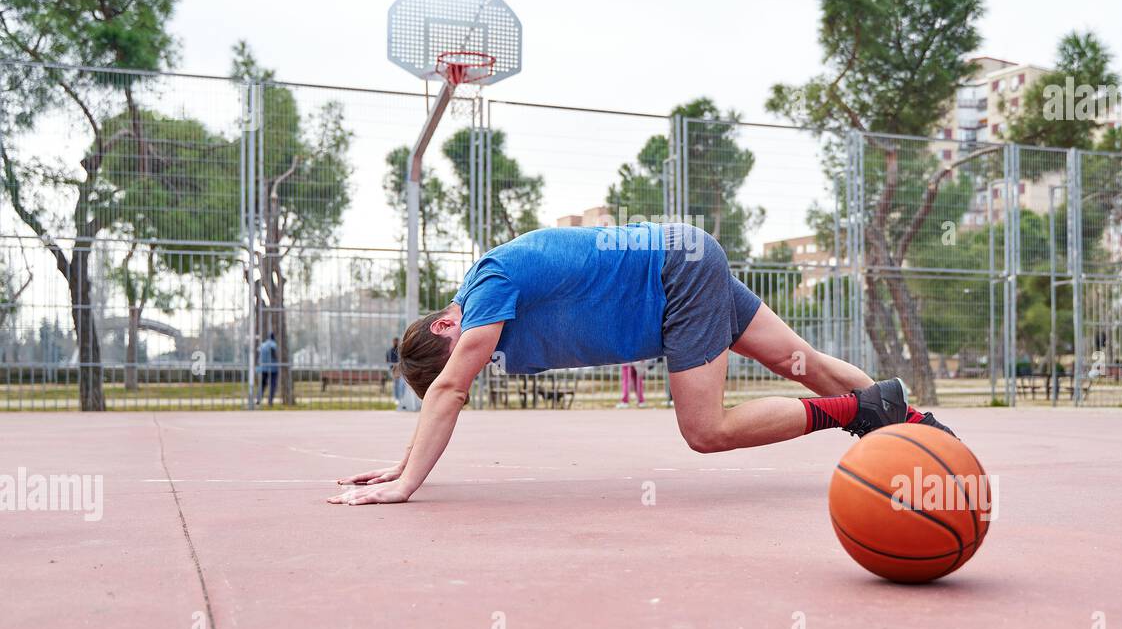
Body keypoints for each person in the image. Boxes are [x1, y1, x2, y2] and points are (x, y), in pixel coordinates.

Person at [331, 222, 953, 505]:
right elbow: (448, 390)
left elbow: (449, 393)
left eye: (460, 357)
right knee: (804, 362)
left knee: (704, 431)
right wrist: (407, 459)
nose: (476, 364)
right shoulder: (490, 308)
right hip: (680, 265)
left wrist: (407, 482)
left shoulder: (485, 284)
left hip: (676, 275)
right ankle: (911, 423)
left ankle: (857, 411)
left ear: (447, 324)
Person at [256, 331, 278, 405]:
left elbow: (258, 351)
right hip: (272, 368)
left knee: (262, 384)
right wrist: (276, 359)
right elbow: (273, 353)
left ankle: (259, 399)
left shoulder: (262, 345)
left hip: (263, 368)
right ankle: (270, 401)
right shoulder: (273, 344)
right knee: (273, 384)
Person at [387, 337, 405, 405]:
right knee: (395, 385)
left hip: (400, 369)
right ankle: (396, 398)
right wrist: (393, 366)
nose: (396, 343)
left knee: (401, 384)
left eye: (397, 341)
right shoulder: (390, 351)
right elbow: (388, 361)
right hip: (394, 369)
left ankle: (401, 398)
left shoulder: (400, 350)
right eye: (395, 341)